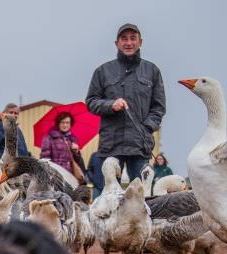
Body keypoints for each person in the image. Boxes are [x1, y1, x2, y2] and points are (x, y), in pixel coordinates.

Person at [85, 23, 166, 182]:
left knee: (142, 196)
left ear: (140, 42)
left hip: (140, 146)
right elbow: (91, 102)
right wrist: (110, 105)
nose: (128, 43)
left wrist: (146, 128)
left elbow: (159, 107)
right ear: (117, 43)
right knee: (108, 198)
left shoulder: (152, 71)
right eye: (124, 39)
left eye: (133, 38)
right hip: (111, 146)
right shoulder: (102, 71)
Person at [40, 111, 85, 182]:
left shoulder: (72, 138)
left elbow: (77, 161)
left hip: (70, 176)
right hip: (56, 176)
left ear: (70, 124)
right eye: (62, 122)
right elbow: (45, 159)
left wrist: (76, 152)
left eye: (67, 123)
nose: (65, 125)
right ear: (58, 123)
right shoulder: (49, 137)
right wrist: (51, 174)